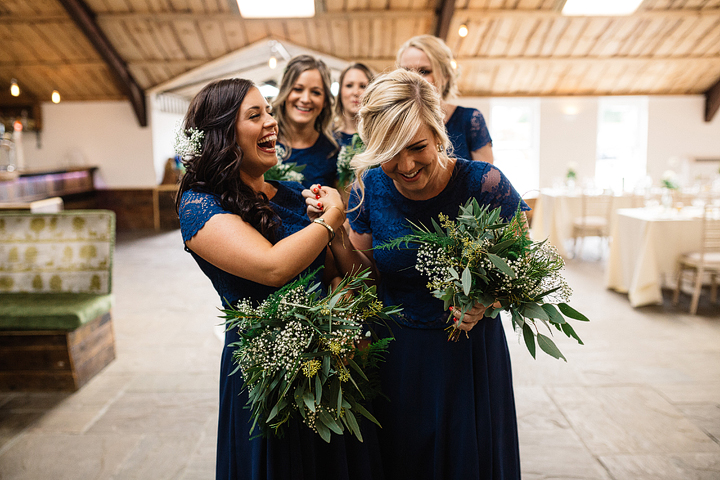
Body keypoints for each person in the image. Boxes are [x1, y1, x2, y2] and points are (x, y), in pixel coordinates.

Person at [176, 78, 381, 480]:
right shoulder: (198, 204)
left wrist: (336, 236)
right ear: (222, 135)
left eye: (269, 111)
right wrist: (330, 219)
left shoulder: (290, 194)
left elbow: (348, 275)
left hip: (328, 364)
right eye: (256, 115)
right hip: (265, 372)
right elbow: (273, 268)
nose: (271, 122)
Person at [346, 69, 528, 479]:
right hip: (398, 356)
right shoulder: (369, 185)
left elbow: (521, 268)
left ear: (439, 130)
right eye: (391, 152)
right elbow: (362, 274)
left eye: (417, 147)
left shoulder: (485, 184)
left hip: (469, 356)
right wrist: (330, 229)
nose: (406, 165)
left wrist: (488, 300)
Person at [397, 34, 494, 164]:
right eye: (406, 72)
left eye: (424, 71)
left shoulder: (470, 120)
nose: (414, 79)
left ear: (445, 76)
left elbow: (486, 178)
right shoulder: (395, 122)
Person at [272, 55, 339, 188]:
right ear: (284, 92)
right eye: (298, 89)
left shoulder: (333, 152)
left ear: (325, 101)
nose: (306, 99)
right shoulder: (263, 143)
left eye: (316, 92)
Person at [333, 63, 374, 148]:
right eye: (349, 85)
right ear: (340, 91)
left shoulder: (378, 137)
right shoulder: (328, 135)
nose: (355, 92)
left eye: (362, 86)